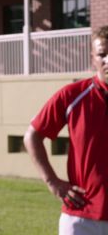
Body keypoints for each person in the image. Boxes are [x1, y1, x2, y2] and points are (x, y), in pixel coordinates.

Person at [24, 25, 108, 235]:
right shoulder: (72, 96)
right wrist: (52, 181)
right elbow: (32, 136)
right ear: (93, 58)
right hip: (80, 217)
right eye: (103, 54)